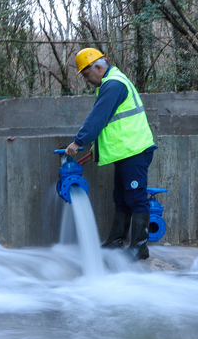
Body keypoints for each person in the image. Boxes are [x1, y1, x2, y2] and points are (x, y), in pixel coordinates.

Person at [65, 48, 157, 261]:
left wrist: (78, 142)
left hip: (134, 150)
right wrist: (97, 146)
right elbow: (111, 122)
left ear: (98, 67)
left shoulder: (113, 84)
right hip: (125, 151)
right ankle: (116, 240)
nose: (86, 80)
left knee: (136, 198)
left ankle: (139, 247)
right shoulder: (111, 83)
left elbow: (97, 118)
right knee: (122, 198)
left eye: (86, 74)